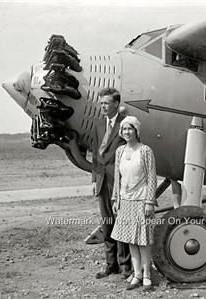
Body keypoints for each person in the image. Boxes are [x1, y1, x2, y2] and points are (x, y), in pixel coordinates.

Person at [110, 116, 157, 291]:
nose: (127, 132)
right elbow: (117, 177)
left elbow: (152, 177)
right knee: (131, 241)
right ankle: (136, 274)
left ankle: (146, 276)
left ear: (137, 131)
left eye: (130, 129)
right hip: (125, 200)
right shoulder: (120, 151)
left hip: (141, 200)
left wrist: (149, 202)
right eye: (124, 129)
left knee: (142, 241)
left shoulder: (145, 151)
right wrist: (116, 199)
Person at [92, 87, 131, 279]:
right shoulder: (99, 125)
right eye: (101, 104)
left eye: (106, 103)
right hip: (102, 181)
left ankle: (126, 267)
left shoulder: (126, 125)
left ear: (116, 104)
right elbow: (95, 154)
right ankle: (111, 265)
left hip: (120, 182)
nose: (103, 107)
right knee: (107, 224)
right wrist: (94, 179)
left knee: (121, 223)